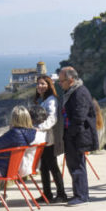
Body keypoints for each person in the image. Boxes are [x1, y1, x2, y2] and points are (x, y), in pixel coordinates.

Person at [58, 65, 98, 206]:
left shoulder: (79, 92)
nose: (59, 83)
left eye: (61, 81)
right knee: (75, 165)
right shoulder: (73, 91)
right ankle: (79, 194)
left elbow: (79, 117)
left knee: (77, 165)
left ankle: (81, 196)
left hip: (77, 136)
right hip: (74, 135)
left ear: (70, 80)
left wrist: (70, 134)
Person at [32, 74, 68, 203]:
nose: (40, 86)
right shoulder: (44, 100)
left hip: (49, 138)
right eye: (38, 84)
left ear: (49, 85)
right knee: (44, 167)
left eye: (43, 83)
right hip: (44, 139)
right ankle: (47, 193)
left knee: (52, 166)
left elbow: (53, 118)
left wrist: (39, 127)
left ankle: (61, 193)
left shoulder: (51, 100)